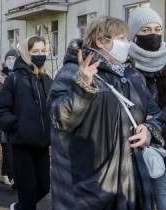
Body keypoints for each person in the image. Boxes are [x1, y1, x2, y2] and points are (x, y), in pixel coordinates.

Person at [49, 16, 163, 210]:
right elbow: (61, 119)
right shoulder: (72, 72)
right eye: (122, 38)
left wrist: (149, 131)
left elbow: (153, 113)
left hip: (129, 180)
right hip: (88, 182)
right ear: (101, 41)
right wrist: (83, 85)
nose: (127, 44)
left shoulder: (131, 74)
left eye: (127, 39)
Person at [0, 36, 52, 210]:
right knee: (28, 192)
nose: (40, 55)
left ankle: (18, 207)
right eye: (35, 52)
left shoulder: (46, 79)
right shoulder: (15, 79)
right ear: (26, 53)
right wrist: (18, 127)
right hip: (22, 145)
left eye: (42, 51)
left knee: (43, 188)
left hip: (42, 145)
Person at [128, 7, 166, 210]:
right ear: (134, 35)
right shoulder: (126, 64)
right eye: (146, 30)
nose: (153, 34)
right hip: (142, 143)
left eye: (158, 28)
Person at [0, 49, 19, 186]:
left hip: (16, 118)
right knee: (8, 149)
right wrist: (2, 79)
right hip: (2, 120)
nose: (11, 60)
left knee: (12, 148)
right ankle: (13, 177)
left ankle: (5, 172)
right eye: (9, 58)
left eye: (14, 58)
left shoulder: (20, 74)